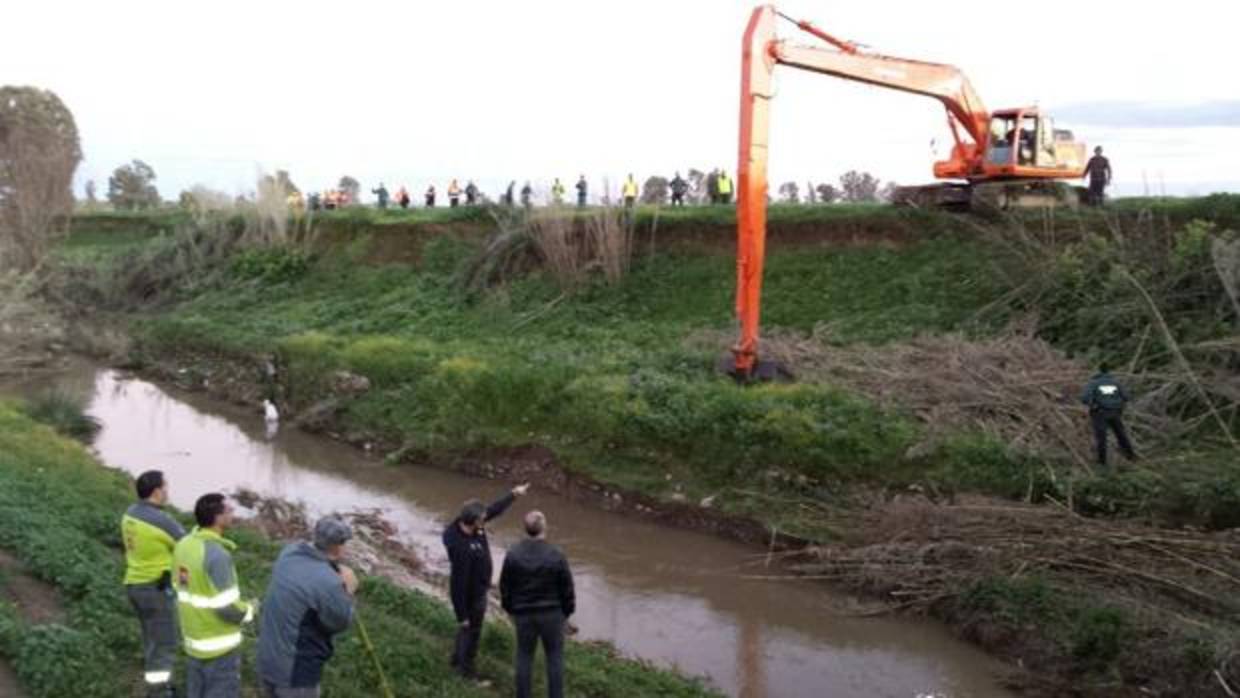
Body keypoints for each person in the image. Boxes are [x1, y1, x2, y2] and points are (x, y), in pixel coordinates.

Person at [258, 516, 358, 697]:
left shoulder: (289, 553)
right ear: (338, 546)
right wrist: (348, 591)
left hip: (269, 658)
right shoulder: (329, 582)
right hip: (296, 673)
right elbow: (340, 622)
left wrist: (330, 566)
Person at [442, 483, 530, 683]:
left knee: (466, 631)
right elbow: (458, 583)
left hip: (479, 590)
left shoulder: (469, 524)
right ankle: (467, 673)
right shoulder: (461, 548)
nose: (485, 520)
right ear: (473, 521)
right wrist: (461, 613)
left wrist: (513, 495)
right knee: (472, 633)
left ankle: (457, 660)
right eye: (482, 519)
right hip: (472, 596)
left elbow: (493, 510)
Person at [173, 493, 257, 698]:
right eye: (229, 510)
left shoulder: (184, 544)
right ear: (217, 518)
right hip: (219, 644)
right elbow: (226, 608)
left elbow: (181, 586)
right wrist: (250, 610)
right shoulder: (217, 556)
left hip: (193, 639)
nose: (233, 513)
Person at [123, 470, 186, 698]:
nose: (168, 491)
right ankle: (159, 692)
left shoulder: (130, 513)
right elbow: (186, 544)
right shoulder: (160, 520)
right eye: (166, 486)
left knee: (152, 638)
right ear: (157, 491)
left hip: (135, 585)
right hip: (155, 590)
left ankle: (157, 685)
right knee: (164, 643)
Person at [500, 511, 575, 698]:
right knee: (554, 658)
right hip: (552, 614)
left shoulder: (513, 553)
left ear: (525, 529)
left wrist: (511, 609)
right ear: (544, 528)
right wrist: (567, 612)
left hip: (523, 614)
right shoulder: (556, 554)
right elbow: (567, 588)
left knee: (524, 656)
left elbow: (505, 586)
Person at [1080, 362, 1137, 469]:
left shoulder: (1094, 383)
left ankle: (1102, 463)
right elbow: (1126, 397)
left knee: (1101, 438)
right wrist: (1118, 404)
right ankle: (1131, 456)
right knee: (1121, 435)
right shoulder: (1116, 383)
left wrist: (1093, 405)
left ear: (1098, 370)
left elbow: (1084, 398)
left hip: (1100, 413)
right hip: (1115, 413)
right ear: (1108, 371)